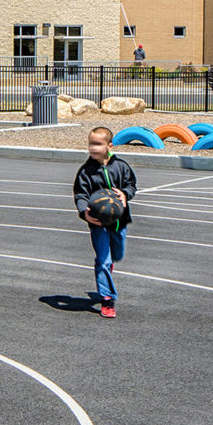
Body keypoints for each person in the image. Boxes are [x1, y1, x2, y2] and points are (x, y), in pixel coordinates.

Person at [72, 126, 137, 319]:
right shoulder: (86, 171)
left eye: (98, 144)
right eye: (91, 143)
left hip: (119, 221)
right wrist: (84, 212)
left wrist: (125, 194)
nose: (93, 147)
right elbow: (80, 194)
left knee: (117, 254)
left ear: (109, 145)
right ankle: (107, 299)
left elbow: (131, 185)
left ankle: (109, 265)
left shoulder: (121, 166)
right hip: (98, 223)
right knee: (102, 260)